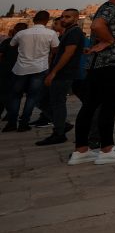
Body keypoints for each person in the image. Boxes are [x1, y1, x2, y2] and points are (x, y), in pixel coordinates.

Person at [69, 0, 115, 165]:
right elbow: (97, 25)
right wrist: (109, 40)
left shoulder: (112, 9)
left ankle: (81, 150)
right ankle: (107, 149)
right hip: (108, 65)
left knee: (90, 106)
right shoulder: (109, 8)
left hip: (98, 66)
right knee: (109, 106)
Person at [4, 10, 58, 133]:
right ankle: (24, 123)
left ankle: (12, 123)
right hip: (40, 68)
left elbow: (12, 45)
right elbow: (55, 50)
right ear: (47, 20)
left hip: (20, 68)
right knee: (32, 97)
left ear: (34, 20)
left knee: (15, 96)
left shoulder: (22, 33)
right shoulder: (51, 33)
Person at [36, 9, 83, 146]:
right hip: (60, 73)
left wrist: (54, 72)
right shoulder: (68, 32)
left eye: (67, 17)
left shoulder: (74, 32)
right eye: (62, 17)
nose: (63, 19)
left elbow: (68, 53)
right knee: (44, 100)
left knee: (56, 103)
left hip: (63, 74)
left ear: (76, 18)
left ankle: (59, 132)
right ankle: (61, 125)